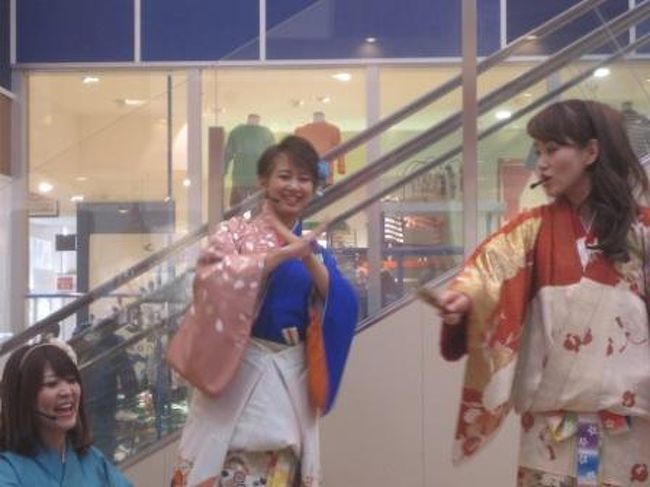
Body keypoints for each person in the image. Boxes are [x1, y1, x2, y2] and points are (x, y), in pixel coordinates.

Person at [436, 99, 650, 486]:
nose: (542, 163)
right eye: (538, 151)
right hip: (549, 427)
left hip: (626, 425)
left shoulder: (642, 230)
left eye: (552, 149)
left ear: (591, 152)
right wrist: (465, 299)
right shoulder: (531, 229)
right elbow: (487, 271)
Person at [168, 135, 358, 487]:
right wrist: (281, 255)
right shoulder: (234, 234)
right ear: (264, 181)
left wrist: (304, 254)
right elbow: (211, 280)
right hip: (236, 375)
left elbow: (343, 303)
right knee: (219, 462)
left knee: (283, 465)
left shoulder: (316, 251)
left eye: (304, 179)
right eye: (284, 176)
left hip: (289, 382)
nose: (294, 186)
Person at [0, 340, 133, 486]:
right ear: (23, 397)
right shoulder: (7, 469)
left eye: (72, 380)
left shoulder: (92, 459)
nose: (68, 392)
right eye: (51, 384)